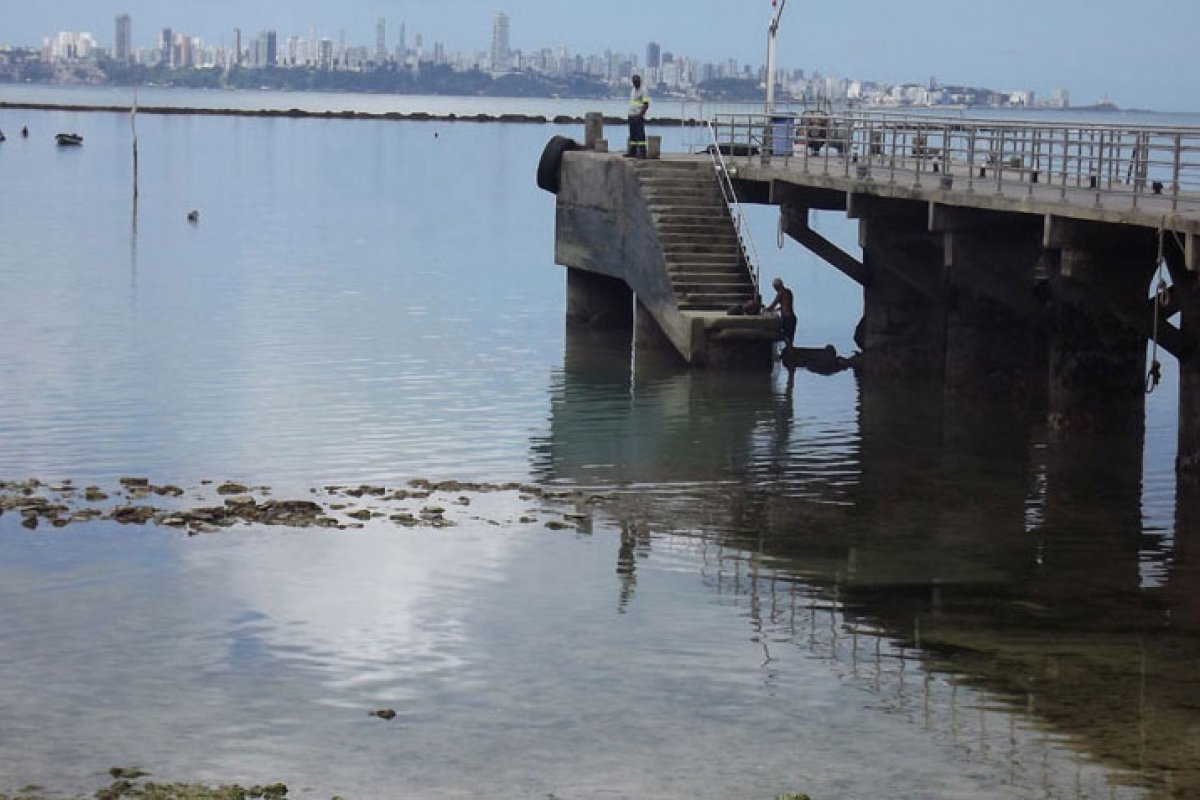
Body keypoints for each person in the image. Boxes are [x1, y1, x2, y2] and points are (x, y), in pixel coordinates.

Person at [765, 277, 797, 349]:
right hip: (792, 317)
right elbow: (786, 304)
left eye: (774, 287)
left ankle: (784, 354)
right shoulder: (788, 292)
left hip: (786, 318)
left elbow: (773, 305)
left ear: (777, 286)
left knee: (781, 335)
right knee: (789, 339)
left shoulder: (781, 293)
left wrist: (765, 310)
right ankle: (788, 353)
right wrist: (778, 309)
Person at [625, 74, 649, 159]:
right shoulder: (633, 90)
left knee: (640, 135)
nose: (635, 83)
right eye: (634, 82)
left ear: (640, 81)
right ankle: (632, 152)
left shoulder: (643, 90)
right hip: (631, 115)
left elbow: (646, 105)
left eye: (636, 82)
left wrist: (640, 115)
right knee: (633, 135)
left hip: (638, 116)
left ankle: (643, 153)